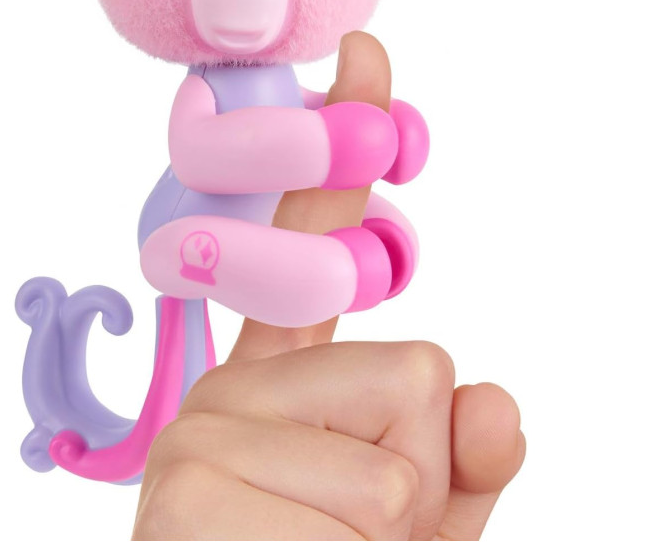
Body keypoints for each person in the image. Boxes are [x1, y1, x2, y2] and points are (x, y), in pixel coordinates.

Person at [132, 32, 526, 540]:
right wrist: (325, 143)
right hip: (181, 237)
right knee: (328, 226)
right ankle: (327, 269)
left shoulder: (274, 79)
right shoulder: (202, 88)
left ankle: (354, 256)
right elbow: (195, 153)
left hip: (264, 207)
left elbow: (301, 107)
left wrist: (381, 135)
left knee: (357, 178)